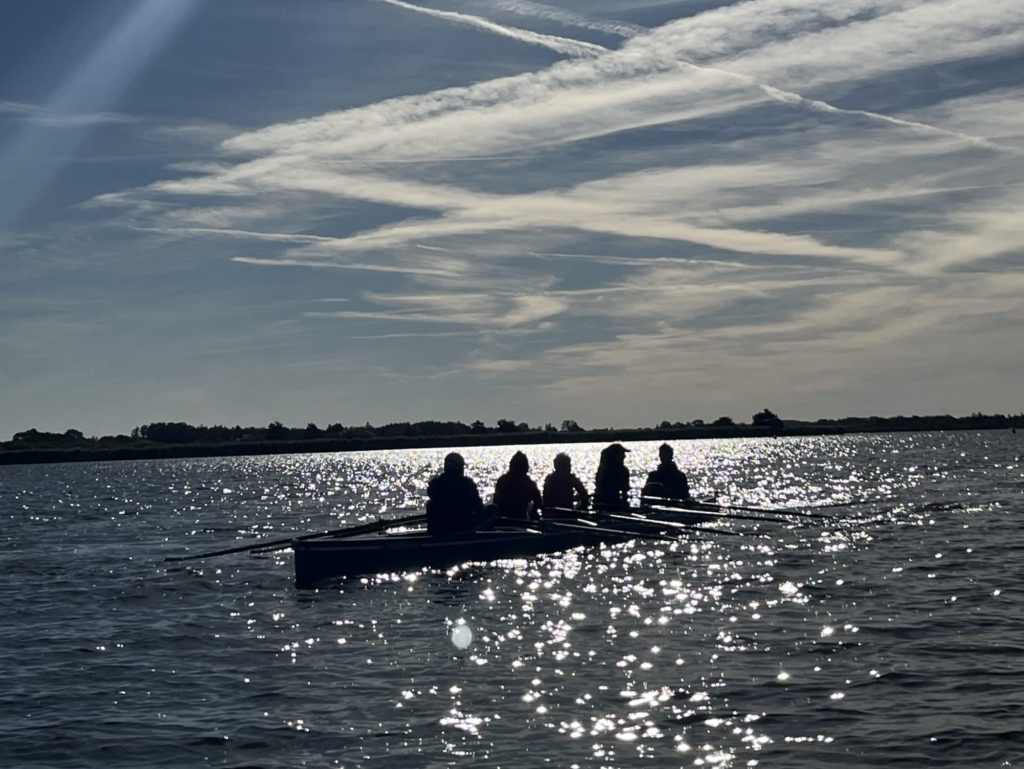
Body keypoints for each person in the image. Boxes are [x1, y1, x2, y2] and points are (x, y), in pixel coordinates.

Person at [426, 452, 488, 535]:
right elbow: (478, 506)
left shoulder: (435, 484)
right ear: (459, 467)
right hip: (462, 527)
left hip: (438, 530)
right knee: (493, 509)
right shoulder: (467, 484)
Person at [493, 451, 543, 523]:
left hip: (502, 521)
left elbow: (495, 502)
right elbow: (539, 503)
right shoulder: (528, 483)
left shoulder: (502, 481)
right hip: (520, 521)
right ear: (526, 467)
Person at [542, 453, 590, 517]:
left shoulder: (549, 479)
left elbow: (545, 498)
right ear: (566, 466)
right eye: (569, 465)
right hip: (567, 513)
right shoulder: (570, 478)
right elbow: (583, 494)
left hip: (551, 514)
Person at [594, 443, 630, 511]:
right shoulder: (622, 470)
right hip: (613, 502)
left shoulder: (602, 469)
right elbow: (625, 490)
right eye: (622, 454)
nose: (624, 456)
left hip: (599, 501)